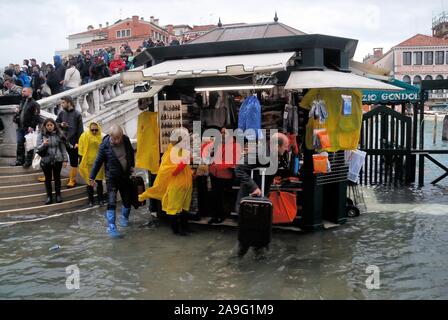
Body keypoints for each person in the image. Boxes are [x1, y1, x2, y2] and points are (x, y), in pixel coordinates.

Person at [234, 132, 289, 257]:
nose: (287, 148)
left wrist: (271, 178)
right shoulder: (260, 153)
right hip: (249, 202)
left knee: (259, 234)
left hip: (260, 203)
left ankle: (258, 259)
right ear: (277, 146)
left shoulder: (273, 154)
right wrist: (254, 186)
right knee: (246, 239)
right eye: (285, 146)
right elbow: (238, 168)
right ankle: (235, 264)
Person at [138, 127, 193, 236]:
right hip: (176, 185)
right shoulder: (171, 152)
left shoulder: (183, 151)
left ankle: (185, 228)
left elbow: (185, 167)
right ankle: (176, 231)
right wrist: (185, 162)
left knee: (185, 207)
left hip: (186, 184)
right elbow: (171, 171)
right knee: (174, 209)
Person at [90, 125, 135, 238]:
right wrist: (92, 177)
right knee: (111, 201)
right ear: (110, 136)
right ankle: (111, 227)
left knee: (127, 199)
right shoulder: (104, 145)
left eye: (118, 138)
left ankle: (124, 218)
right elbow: (98, 161)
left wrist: (132, 166)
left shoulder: (125, 139)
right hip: (112, 178)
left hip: (125, 176)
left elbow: (130, 152)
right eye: (114, 138)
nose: (117, 140)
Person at [207, 127, 242, 224]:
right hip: (215, 173)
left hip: (224, 175)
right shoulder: (219, 144)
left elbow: (234, 162)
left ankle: (219, 216)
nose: (222, 134)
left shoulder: (235, 146)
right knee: (214, 196)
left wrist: (217, 165)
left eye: (224, 132)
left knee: (219, 196)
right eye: (221, 132)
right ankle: (215, 215)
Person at [36, 118, 68, 204]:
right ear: (45, 126)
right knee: (48, 179)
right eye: (48, 125)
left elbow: (63, 148)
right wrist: (44, 144)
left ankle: (58, 195)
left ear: (54, 125)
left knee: (57, 178)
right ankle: (49, 197)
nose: (49, 127)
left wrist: (65, 160)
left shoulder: (59, 134)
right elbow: (37, 148)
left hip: (58, 159)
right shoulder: (41, 134)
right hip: (46, 160)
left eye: (51, 125)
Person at [56, 96, 83, 187]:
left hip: (73, 141)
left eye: (63, 102)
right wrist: (61, 124)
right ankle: (53, 175)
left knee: (74, 160)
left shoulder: (77, 114)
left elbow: (80, 130)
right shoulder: (61, 113)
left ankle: (72, 179)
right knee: (57, 158)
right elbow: (55, 124)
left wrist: (78, 142)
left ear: (69, 102)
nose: (62, 104)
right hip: (62, 140)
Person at [11, 87, 41, 167]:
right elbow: (20, 114)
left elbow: (36, 116)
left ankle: (28, 161)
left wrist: (32, 126)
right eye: (22, 91)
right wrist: (17, 113)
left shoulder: (35, 104)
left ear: (29, 92)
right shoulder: (22, 102)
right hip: (20, 127)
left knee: (29, 145)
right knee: (20, 144)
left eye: (24, 91)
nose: (22, 92)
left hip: (28, 128)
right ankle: (19, 160)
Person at [78, 122, 105, 207]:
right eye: (92, 130)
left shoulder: (101, 137)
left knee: (99, 182)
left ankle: (100, 200)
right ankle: (91, 201)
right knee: (89, 183)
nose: (94, 131)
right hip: (88, 162)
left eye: (96, 130)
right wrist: (81, 160)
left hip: (99, 163)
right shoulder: (84, 136)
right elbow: (81, 148)